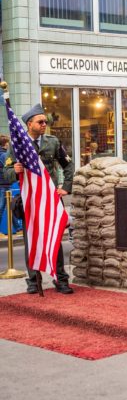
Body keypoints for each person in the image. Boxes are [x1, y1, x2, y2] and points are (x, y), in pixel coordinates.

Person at [4, 104, 74, 295]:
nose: (45, 124)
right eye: (40, 121)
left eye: (45, 121)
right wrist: (14, 171)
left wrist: (66, 187)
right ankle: (34, 280)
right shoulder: (18, 144)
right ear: (29, 124)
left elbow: (68, 164)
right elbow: (6, 171)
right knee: (31, 240)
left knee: (55, 238)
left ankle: (61, 279)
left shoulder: (52, 142)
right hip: (30, 199)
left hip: (50, 198)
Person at [0, 134, 20, 233]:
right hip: (4, 184)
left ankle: (17, 228)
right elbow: (8, 169)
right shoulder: (4, 155)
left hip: (3, 184)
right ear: (5, 144)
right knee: (4, 207)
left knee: (9, 206)